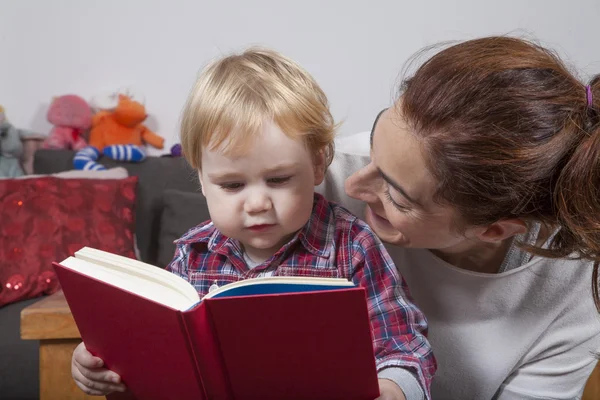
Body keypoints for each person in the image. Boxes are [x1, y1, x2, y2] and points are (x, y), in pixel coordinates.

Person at [70, 48, 436, 399]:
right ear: (201, 179)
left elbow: (403, 344)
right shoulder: (192, 254)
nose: (258, 203)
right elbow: (155, 348)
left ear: (318, 165)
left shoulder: (353, 246)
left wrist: (394, 389)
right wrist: (99, 363)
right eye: (232, 185)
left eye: (278, 180)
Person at [318, 36, 600, 399]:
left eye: (396, 196)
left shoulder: (572, 289)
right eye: (375, 141)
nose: (355, 186)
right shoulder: (304, 180)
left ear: (494, 229)